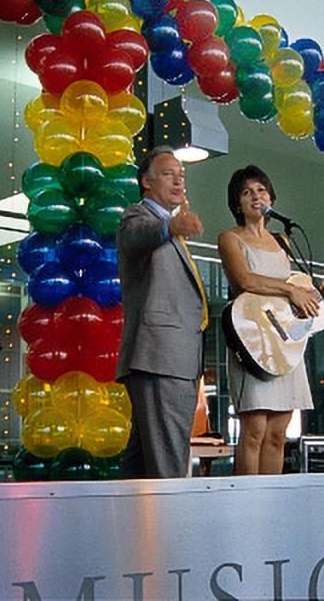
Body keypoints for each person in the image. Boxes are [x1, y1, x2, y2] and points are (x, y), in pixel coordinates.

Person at [217, 165, 324, 475]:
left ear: (271, 197)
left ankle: (270, 501)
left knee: (278, 433)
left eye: (261, 190)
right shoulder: (230, 238)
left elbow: (298, 295)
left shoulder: (284, 241)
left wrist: (320, 295)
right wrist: (290, 290)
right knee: (254, 430)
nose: (255, 196)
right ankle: (246, 505)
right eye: (246, 192)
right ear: (237, 203)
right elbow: (244, 280)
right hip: (252, 339)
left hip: (284, 341)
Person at [115, 146, 208, 479]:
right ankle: (173, 530)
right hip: (158, 357)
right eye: (169, 173)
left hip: (172, 358)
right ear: (146, 182)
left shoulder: (171, 227)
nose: (179, 181)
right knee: (168, 462)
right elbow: (136, 237)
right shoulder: (139, 217)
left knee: (140, 463)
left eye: (181, 175)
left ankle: (123, 528)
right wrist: (171, 227)